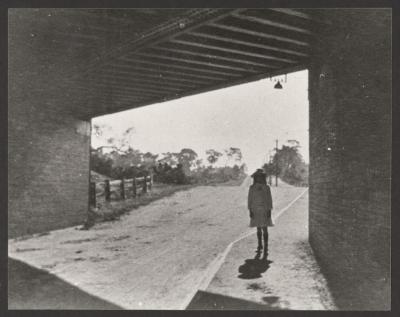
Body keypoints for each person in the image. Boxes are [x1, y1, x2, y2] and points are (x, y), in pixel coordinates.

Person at [248, 169, 274, 257]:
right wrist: (250, 210)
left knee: (265, 229)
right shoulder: (252, 188)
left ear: (263, 177)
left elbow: (269, 199)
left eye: (261, 176)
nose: (259, 178)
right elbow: (249, 199)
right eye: (257, 176)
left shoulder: (267, 188)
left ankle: (266, 246)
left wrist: (269, 210)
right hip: (255, 210)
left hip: (264, 210)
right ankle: (260, 245)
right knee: (258, 228)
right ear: (255, 177)